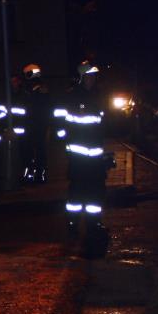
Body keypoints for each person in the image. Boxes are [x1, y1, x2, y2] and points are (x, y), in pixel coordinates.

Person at [57, 60, 108, 240]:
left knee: (96, 191)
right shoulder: (72, 96)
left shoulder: (97, 96)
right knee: (77, 192)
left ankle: (94, 223)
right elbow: (62, 124)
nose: (92, 79)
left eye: (94, 76)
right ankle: (73, 223)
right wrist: (67, 142)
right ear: (81, 78)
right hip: (78, 155)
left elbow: (102, 123)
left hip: (95, 155)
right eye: (89, 76)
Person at [21, 63, 52, 184]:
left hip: (36, 125)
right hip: (35, 125)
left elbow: (43, 107)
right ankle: (36, 176)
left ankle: (37, 176)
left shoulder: (39, 89)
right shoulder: (31, 89)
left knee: (36, 151)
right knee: (34, 151)